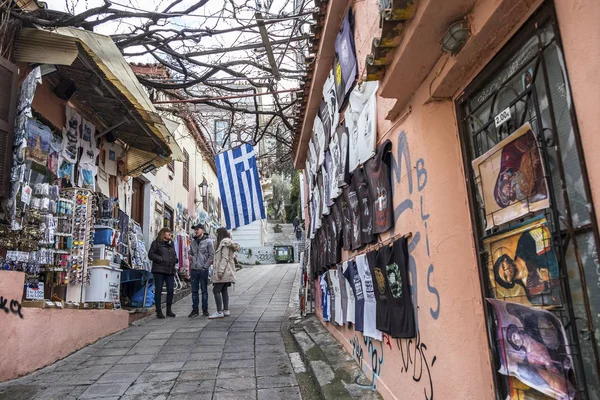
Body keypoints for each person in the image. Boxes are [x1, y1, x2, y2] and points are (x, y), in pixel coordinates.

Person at [492, 227, 560, 305]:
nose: (507, 270)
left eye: (503, 266)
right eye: (505, 276)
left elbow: (545, 231)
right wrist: (550, 279)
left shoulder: (525, 241)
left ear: (505, 260)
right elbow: (556, 299)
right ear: (509, 282)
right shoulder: (532, 293)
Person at [209, 227, 240, 319]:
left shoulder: (224, 243)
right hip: (226, 271)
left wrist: (220, 271)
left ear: (220, 234)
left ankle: (219, 311)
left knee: (216, 290)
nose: (216, 236)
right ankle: (225, 310)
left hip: (224, 271)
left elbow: (224, 258)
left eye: (217, 234)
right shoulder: (226, 243)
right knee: (224, 290)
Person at [148, 227, 178, 319]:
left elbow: (174, 255)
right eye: (168, 233)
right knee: (158, 290)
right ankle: (159, 311)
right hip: (159, 270)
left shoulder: (171, 244)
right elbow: (150, 255)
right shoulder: (156, 243)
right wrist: (160, 259)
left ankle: (169, 310)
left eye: (170, 233)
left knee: (170, 290)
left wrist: (175, 260)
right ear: (163, 234)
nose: (170, 235)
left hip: (170, 270)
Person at [189, 223, 214, 317]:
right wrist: (191, 259)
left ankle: (205, 309)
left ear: (202, 230)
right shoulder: (192, 241)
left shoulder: (208, 242)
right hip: (194, 269)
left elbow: (211, 255)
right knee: (194, 291)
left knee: (204, 290)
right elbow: (191, 253)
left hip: (203, 269)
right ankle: (195, 309)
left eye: (197, 229)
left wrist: (205, 266)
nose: (196, 231)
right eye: (195, 229)